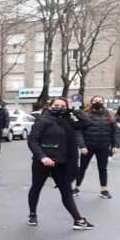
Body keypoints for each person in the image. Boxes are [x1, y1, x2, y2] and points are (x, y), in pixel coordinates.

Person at [26, 98, 95, 230]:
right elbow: (32, 141)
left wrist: (74, 110)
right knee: (36, 187)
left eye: (63, 106)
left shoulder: (68, 121)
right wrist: (42, 157)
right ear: (50, 106)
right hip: (43, 162)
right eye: (56, 105)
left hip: (63, 162)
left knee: (66, 191)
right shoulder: (43, 120)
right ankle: (32, 214)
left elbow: (87, 122)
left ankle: (78, 220)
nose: (59, 107)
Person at [74, 96, 119, 199]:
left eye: (100, 101)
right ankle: (76, 187)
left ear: (103, 102)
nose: (97, 102)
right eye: (95, 100)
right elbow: (78, 131)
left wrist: (116, 145)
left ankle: (104, 190)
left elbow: (115, 132)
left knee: (103, 169)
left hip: (103, 146)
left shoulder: (110, 115)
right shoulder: (84, 114)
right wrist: (82, 146)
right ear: (91, 102)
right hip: (87, 147)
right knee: (82, 168)